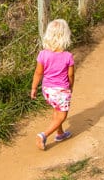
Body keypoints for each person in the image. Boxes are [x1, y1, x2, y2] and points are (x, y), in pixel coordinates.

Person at [30, 19, 75, 151]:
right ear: (65, 35)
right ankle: (43, 135)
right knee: (62, 115)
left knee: (56, 109)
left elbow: (38, 73)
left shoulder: (43, 54)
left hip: (47, 90)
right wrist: (70, 87)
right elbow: (70, 75)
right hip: (61, 90)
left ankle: (60, 134)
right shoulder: (68, 56)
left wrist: (33, 88)